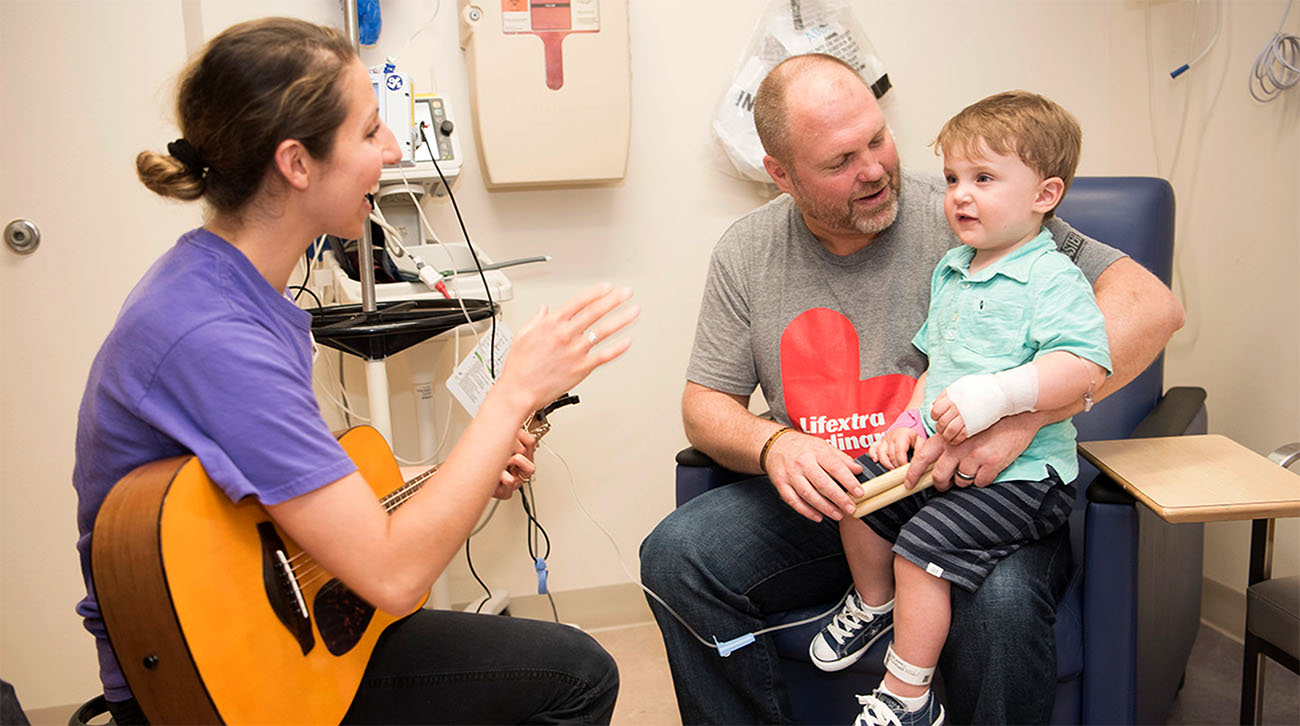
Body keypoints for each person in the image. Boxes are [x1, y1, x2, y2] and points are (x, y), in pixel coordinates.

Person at [72, 17, 635, 725]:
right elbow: (395, 576)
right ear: (296, 163)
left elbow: (307, 497)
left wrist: (461, 471)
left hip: (267, 630)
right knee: (579, 675)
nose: (394, 150)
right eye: (371, 132)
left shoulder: (222, 286)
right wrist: (514, 390)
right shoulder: (214, 336)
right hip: (215, 679)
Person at [640, 53, 1183, 725]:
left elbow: (1149, 306)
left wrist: (1017, 418)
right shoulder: (746, 252)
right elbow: (705, 406)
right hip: (843, 499)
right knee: (676, 556)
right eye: (840, 161)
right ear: (779, 174)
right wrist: (775, 444)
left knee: (1004, 604)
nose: (873, 169)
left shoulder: (971, 215)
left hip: (983, 489)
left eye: (878, 138)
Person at [815, 90, 1112, 726]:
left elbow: (1084, 368)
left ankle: (908, 695)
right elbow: (933, 369)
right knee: (854, 490)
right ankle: (872, 605)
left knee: (920, 548)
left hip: (1024, 480)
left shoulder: (1052, 277)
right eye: (952, 179)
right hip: (941, 461)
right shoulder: (953, 269)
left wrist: (999, 397)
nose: (959, 195)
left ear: (1045, 195)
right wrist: (904, 424)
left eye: (983, 179)